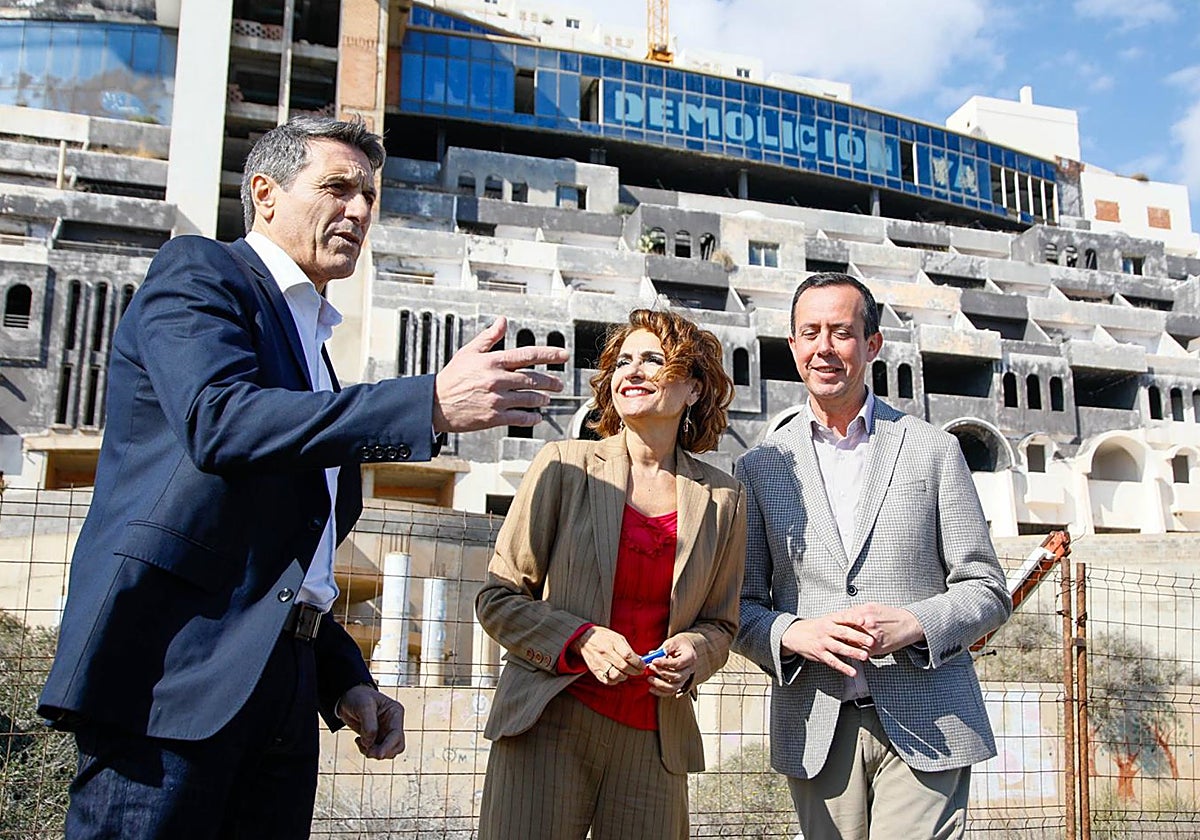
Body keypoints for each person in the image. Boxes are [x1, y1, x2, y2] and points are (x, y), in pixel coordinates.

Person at [37, 116, 569, 839]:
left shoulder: (314, 350)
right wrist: (429, 403)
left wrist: (342, 676)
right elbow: (219, 421)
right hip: (172, 679)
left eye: (370, 197)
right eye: (337, 187)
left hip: (282, 697)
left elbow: (289, 557)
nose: (358, 209)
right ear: (265, 193)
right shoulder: (200, 272)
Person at [733, 273, 1012, 839]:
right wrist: (793, 633)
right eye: (809, 333)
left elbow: (987, 588)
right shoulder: (761, 467)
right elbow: (739, 606)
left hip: (929, 717)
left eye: (841, 332)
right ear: (792, 346)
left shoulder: (934, 449)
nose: (824, 348)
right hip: (814, 722)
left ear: (873, 344)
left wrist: (914, 623)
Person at [475, 309, 745, 840]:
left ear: (693, 388)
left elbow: (722, 625)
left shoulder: (723, 498)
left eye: (653, 360)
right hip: (549, 720)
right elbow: (498, 598)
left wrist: (695, 651)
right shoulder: (563, 464)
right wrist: (581, 639)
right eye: (624, 361)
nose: (633, 372)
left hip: (654, 741)